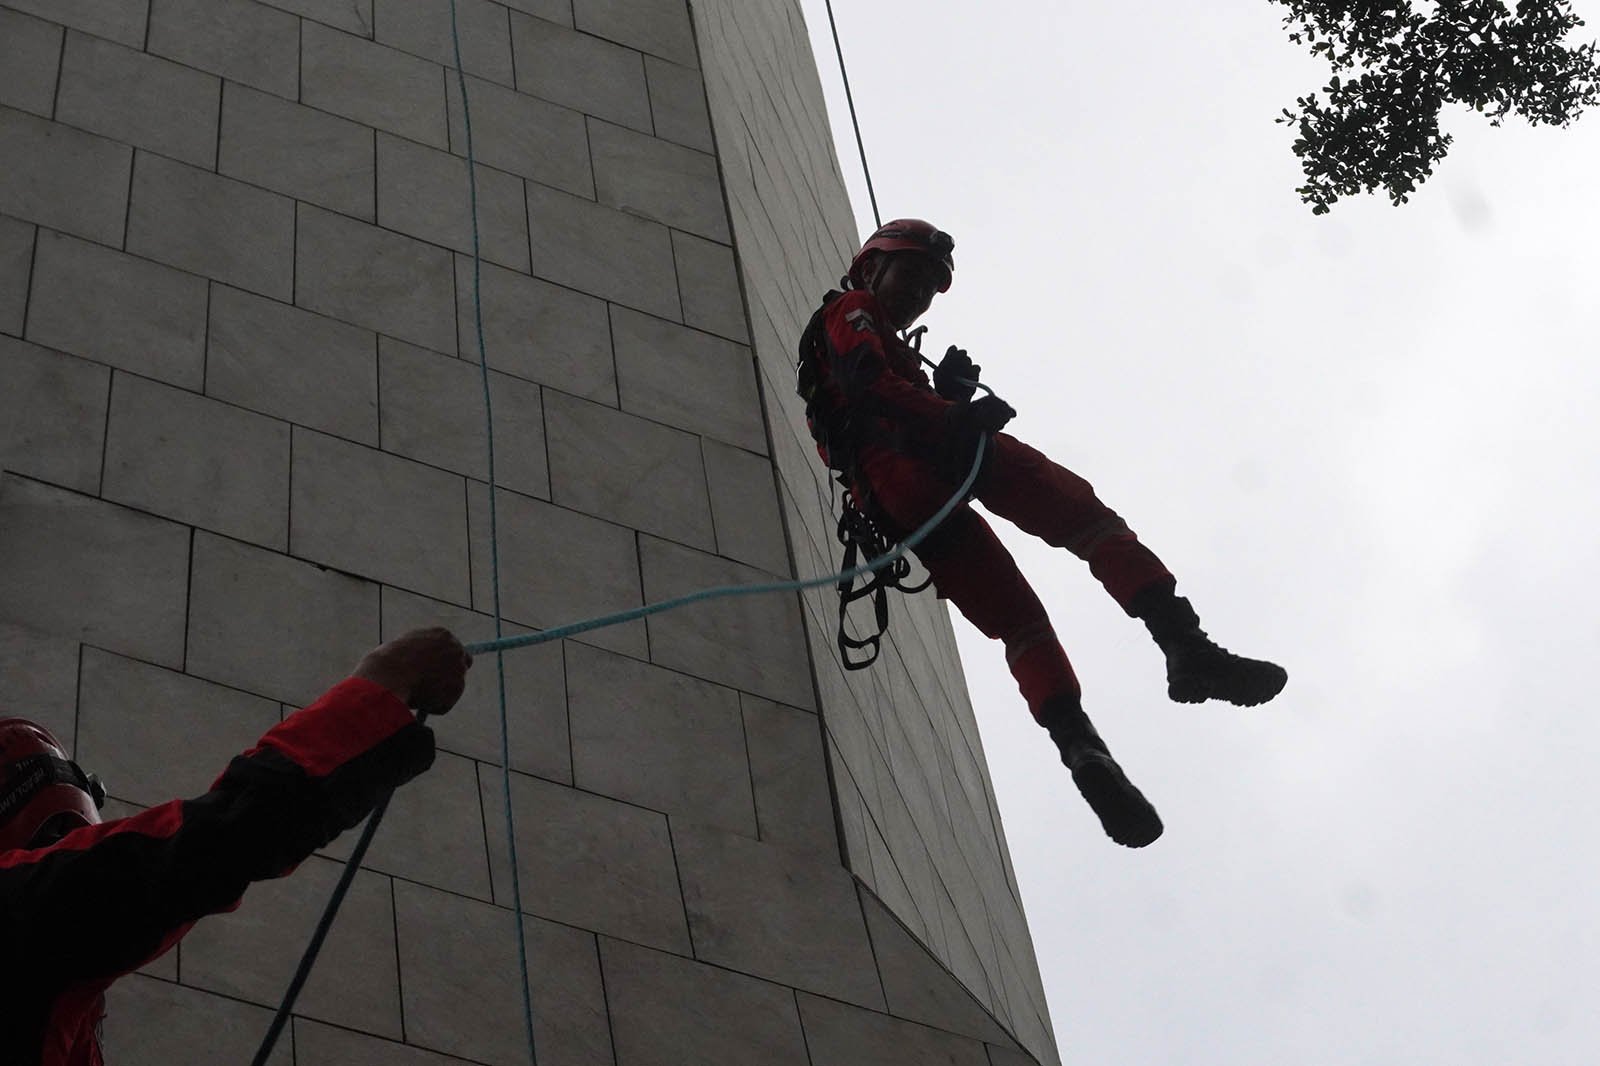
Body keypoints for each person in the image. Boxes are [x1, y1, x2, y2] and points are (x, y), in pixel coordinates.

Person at [798, 219, 1287, 848]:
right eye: (911, 276)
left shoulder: (859, 339)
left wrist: (944, 394)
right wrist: (955, 414)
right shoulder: (851, 309)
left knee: (1021, 624)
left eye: (928, 288)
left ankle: (1083, 751)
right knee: (1088, 521)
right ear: (871, 268)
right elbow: (870, 387)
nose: (918, 295)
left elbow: (863, 397)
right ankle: (1187, 646)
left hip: (895, 498)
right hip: (923, 456)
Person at [0, 627, 472, 1066]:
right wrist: (384, 682)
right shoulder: (21, 909)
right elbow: (218, 841)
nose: (68, 850)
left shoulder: (61, 1000)